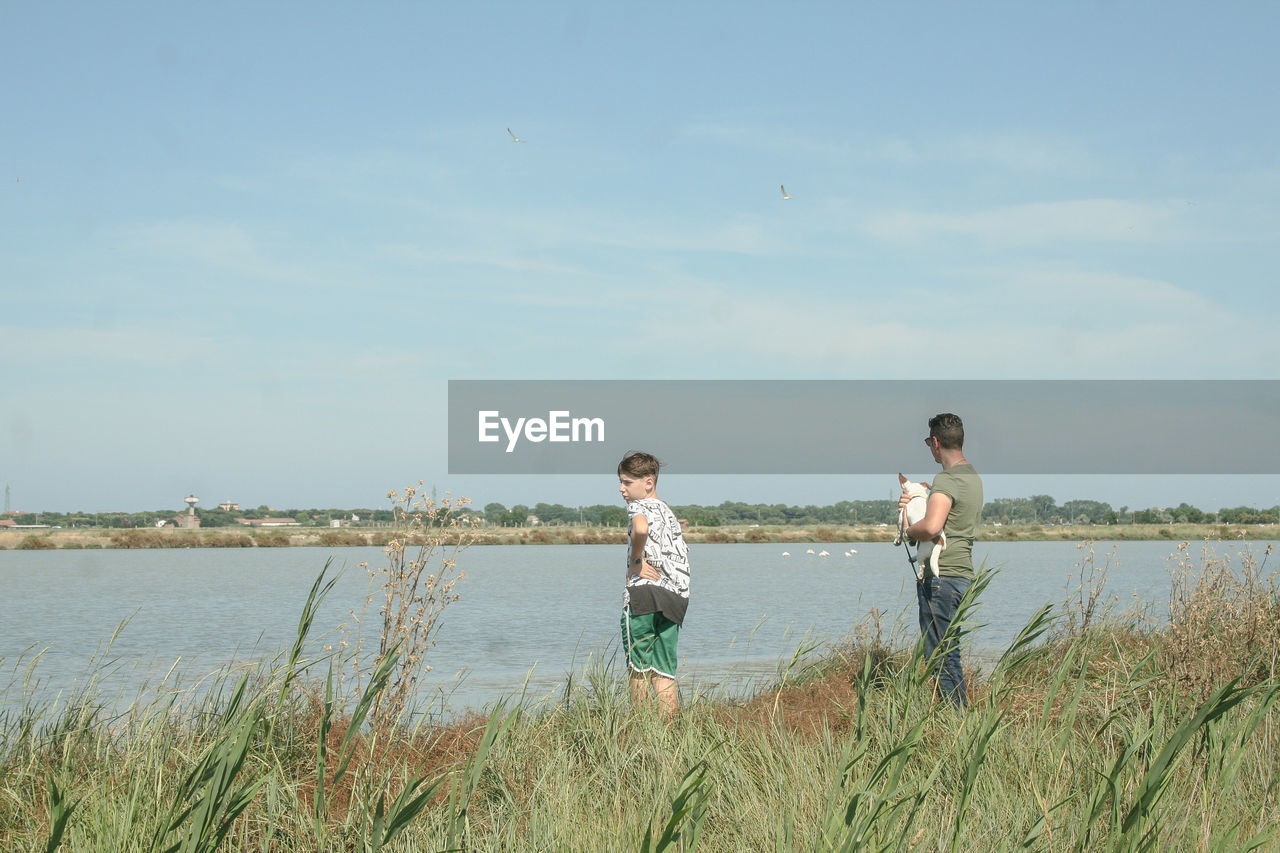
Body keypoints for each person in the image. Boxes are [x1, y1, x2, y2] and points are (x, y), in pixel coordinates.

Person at [899, 413, 983, 709]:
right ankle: (960, 720)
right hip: (961, 574)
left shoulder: (946, 480)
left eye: (928, 442)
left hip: (942, 577)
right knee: (950, 653)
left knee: (939, 656)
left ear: (935, 443)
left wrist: (907, 528)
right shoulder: (971, 476)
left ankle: (955, 721)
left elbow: (932, 528)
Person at [617, 450, 690, 717]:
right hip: (676, 597)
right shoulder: (668, 512)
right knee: (664, 670)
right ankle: (669, 730)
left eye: (627, 482)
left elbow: (641, 529)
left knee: (638, 667)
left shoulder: (638, 506)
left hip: (644, 595)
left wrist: (636, 560)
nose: (621, 489)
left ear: (648, 482)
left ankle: (639, 728)